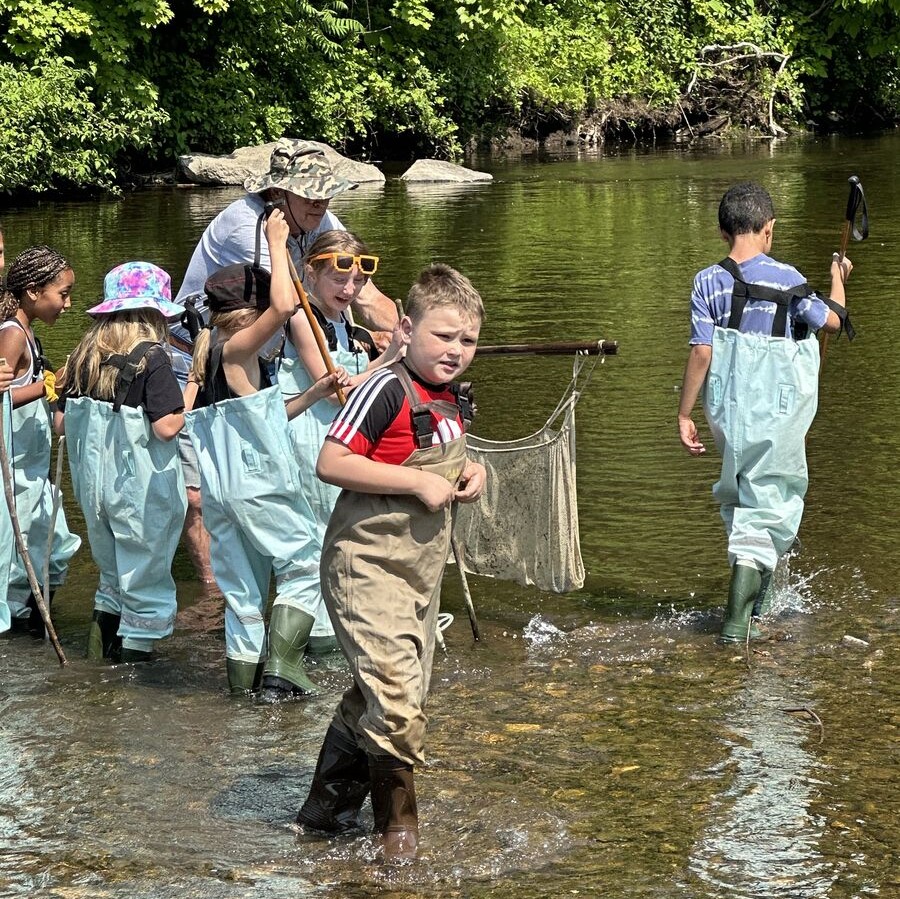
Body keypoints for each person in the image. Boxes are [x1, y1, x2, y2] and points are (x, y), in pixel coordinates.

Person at [296, 263, 486, 863]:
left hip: (417, 574)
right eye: (443, 336)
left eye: (468, 340)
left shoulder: (452, 396)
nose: (455, 351)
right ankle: (397, 831)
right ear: (406, 328)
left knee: (378, 692)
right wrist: (412, 483)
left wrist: (471, 473)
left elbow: (451, 454)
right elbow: (331, 461)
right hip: (366, 566)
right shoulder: (385, 388)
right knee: (400, 699)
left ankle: (323, 812)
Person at [171, 139, 398, 594]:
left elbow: (361, 290)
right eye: (310, 194)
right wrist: (348, 361)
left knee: (262, 477)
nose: (322, 203)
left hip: (266, 356)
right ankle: (217, 590)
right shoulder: (248, 227)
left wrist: (405, 339)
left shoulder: (318, 217)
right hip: (203, 358)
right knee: (202, 492)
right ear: (279, 193)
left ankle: (273, 583)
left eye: (325, 193)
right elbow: (290, 306)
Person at [183, 207, 349, 696]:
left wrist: (314, 393)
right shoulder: (235, 347)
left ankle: (244, 689)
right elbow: (283, 307)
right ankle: (282, 671)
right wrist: (278, 242)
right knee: (303, 565)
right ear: (247, 313)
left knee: (243, 595)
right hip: (259, 484)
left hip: (223, 493)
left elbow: (261, 417)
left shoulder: (211, 356)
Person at [677, 181, 852, 644]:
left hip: (726, 408)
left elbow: (701, 351)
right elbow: (831, 320)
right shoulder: (788, 279)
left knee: (741, 497)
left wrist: (684, 412)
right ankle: (737, 626)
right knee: (771, 504)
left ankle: (758, 611)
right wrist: (839, 278)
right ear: (769, 229)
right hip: (774, 408)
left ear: (722, 232)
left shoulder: (705, 281)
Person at [277, 230, 405, 655]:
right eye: (338, 281)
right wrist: (387, 361)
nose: (349, 290)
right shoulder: (301, 316)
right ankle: (309, 647)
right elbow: (336, 390)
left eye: (356, 283)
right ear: (310, 274)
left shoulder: (342, 322)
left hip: (341, 441)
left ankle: (329, 636)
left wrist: (383, 353)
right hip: (311, 442)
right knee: (317, 542)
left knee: (337, 539)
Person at [54, 263, 187, 663]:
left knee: (112, 575)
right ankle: (134, 673)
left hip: (92, 488)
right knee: (145, 579)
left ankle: (97, 659)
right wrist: (192, 392)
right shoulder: (153, 358)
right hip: (138, 489)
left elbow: (61, 423)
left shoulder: (82, 356)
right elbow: (165, 428)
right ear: (152, 315)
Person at [0, 245, 81, 634]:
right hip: (13, 470)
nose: (66, 304)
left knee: (53, 548)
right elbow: (1, 397)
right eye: (62, 294)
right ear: (33, 291)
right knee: (24, 560)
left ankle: (31, 625)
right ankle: (21, 631)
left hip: (31, 469)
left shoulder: (27, 333)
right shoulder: (12, 335)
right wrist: (50, 385)